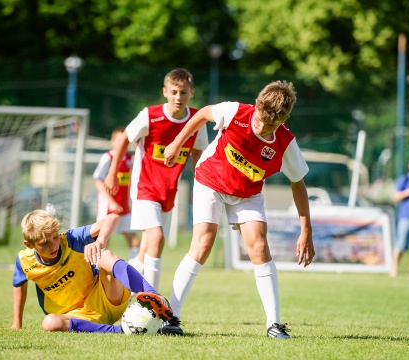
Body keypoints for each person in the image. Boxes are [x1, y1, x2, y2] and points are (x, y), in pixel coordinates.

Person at [162, 80, 315, 339]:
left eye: (271, 125)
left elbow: (298, 184)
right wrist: (177, 143)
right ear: (256, 104)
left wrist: (306, 230)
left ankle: (274, 325)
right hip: (210, 180)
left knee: (259, 248)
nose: (262, 127)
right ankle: (171, 317)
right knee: (203, 244)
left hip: (248, 193)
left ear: (285, 118)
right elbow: (201, 114)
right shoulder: (235, 112)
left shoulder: (286, 143)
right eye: (260, 119)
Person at [103, 68, 209, 291]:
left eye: (183, 92)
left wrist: (201, 187)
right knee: (157, 237)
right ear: (165, 92)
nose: (178, 97)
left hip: (169, 191)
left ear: (192, 93)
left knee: (146, 248)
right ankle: (152, 299)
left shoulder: (197, 120)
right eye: (173, 92)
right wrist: (112, 173)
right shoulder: (150, 115)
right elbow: (124, 139)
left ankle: (122, 288)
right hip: (145, 187)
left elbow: (199, 154)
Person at [8, 205, 175, 333]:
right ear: (29, 245)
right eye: (45, 243)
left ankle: (155, 297)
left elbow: (113, 218)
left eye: (55, 237)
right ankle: (121, 330)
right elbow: (19, 286)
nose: (54, 245)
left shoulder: (71, 240)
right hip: (76, 317)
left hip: (106, 298)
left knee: (105, 255)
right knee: (50, 323)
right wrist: (17, 324)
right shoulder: (24, 261)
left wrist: (100, 241)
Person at [93, 126, 140, 260]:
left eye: (124, 141)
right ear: (112, 141)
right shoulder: (107, 157)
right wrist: (111, 202)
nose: (122, 144)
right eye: (119, 140)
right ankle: (97, 269)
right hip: (108, 207)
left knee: (133, 240)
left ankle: (134, 270)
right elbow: (98, 181)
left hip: (124, 207)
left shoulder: (129, 159)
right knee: (104, 239)